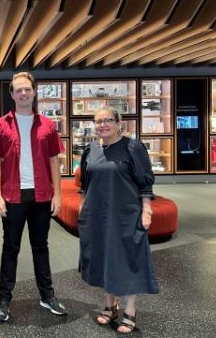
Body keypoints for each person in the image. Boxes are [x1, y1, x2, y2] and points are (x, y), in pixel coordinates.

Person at [0, 71, 67, 322]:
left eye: (27, 89)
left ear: (34, 92)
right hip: (12, 196)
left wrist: (58, 194)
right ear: (12, 94)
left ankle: (47, 295)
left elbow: (54, 160)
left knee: (40, 247)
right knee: (10, 248)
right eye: (18, 90)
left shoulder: (48, 125)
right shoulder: (0, 125)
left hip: (41, 195)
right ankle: (4, 300)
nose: (23, 93)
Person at [78, 107, 159, 334]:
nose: (103, 125)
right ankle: (109, 305)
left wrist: (146, 210)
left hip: (125, 214)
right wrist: (83, 210)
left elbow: (145, 181)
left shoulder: (133, 147)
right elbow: (85, 184)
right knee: (105, 259)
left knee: (127, 261)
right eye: (98, 121)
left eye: (108, 120)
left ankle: (130, 311)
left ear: (118, 122)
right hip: (97, 215)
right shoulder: (90, 149)